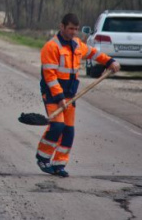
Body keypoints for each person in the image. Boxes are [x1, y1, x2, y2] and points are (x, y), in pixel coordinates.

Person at [35, 13, 120, 177]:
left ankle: (59, 164)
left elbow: (94, 54)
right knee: (57, 126)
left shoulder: (77, 44)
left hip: (71, 95)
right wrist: (59, 98)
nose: (73, 32)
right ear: (62, 27)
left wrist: (110, 62)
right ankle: (43, 157)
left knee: (68, 131)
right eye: (70, 28)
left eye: (76, 29)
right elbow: (50, 76)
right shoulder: (51, 47)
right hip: (53, 95)